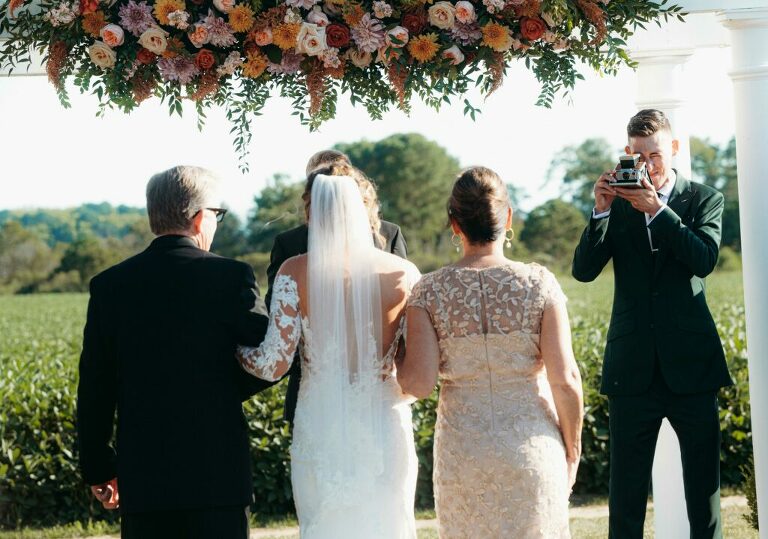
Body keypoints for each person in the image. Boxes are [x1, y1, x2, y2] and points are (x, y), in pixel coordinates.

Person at [77, 166, 273, 539]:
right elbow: (268, 355)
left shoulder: (110, 285)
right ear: (200, 218)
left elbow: (94, 386)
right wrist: (224, 388)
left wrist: (99, 466)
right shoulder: (231, 277)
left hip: (144, 474)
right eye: (218, 214)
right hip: (217, 471)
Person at [572, 109, 733, 538]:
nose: (648, 164)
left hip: (693, 366)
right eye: (638, 155)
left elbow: (704, 259)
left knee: (704, 492)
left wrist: (658, 211)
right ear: (628, 153)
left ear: (674, 149)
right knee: (625, 494)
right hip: (632, 368)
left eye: (656, 154)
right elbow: (584, 271)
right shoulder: (617, 205)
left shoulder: (704, 199)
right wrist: (601, 211)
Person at [398, 166, 583, 538]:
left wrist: (391, 351)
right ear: (507, 217)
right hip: (531, 445)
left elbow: (418, 383)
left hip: (463, 452)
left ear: (454, 224)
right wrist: (573, 448)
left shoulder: (428, 292)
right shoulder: (539, 283)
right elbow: (566, 380)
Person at [237, 169, 421, 538]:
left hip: (320, 420)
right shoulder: (403, 272)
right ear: (364, 209)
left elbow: (273, 363)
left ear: (312, 214)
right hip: (384, 420)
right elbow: (416, 364)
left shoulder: (294, 272)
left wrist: (235, 351)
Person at [265, 151, 407, 424]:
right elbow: (279, 312)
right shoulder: (288, 242)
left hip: (378, 386)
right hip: (316, 387)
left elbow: (405, 310)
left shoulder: (389, 233)